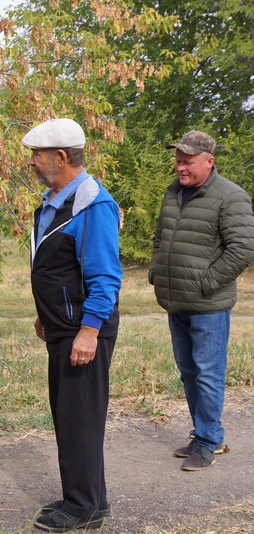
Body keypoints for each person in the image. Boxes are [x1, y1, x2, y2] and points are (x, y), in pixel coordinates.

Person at [23, 118, 121, 532]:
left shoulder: (93, 205)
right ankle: (91, 499)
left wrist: (89, 330)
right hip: (63, 325)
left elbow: (105, 277)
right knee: (71, 415)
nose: (31, 162)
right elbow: (57, 268)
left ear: (61, 157)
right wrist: (46, 313)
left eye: (37, 155)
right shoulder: (55, 200)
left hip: (83, 329)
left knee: (78, 417)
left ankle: (82, 508)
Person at [150, 130, 254, 471]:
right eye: (178, 160)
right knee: (189, 372)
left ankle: (208, 442)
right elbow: (160, 237)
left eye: (188, 162)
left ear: (209, 161)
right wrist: (155, 271)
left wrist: (206, 283)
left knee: (208, 374)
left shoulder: (230, 196)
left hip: (209, 304)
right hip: (176, 300)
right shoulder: (172, 192)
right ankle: (207, 435)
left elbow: (243, 249)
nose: (181, 167)